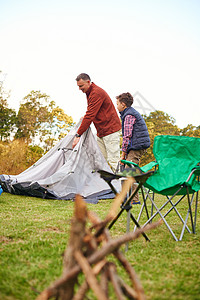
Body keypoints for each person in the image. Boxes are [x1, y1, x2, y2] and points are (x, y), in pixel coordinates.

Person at [72, 73, 121, 171]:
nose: (79, 89)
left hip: (110, 130)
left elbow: (90, 115)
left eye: (81, 86)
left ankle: (125, 185)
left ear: (88, 82)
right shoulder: (89, 92)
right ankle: (101, 185)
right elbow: (92, 111)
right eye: (78, 86)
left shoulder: (96, 93)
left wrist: (78, 135)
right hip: (101, 132)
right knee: (99, 160)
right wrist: (85, 117)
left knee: (113, 160)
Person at [116, 92, 150, 203]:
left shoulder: (129, 115)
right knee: (131, 170)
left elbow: (127, 136)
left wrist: (122, 155)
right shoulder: (129, 113)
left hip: (137, 146)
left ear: (123, 104)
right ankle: (132, 199)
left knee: (128, 171)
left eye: (117, 104)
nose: (116, 107)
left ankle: (133, 200)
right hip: (136, 145)